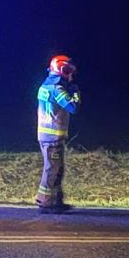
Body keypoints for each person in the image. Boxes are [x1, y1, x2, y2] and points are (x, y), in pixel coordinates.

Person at [36, 55, 82, 214]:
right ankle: (45, 203)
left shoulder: (46, 86)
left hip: (50, 136)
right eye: (69, 72)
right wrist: (76, 93)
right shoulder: (57, 89)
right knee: (51, 170)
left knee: (57, 169)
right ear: (62, 71)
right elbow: (73, 108)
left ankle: (56, 201)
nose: (71, 76)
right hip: (52, 138)